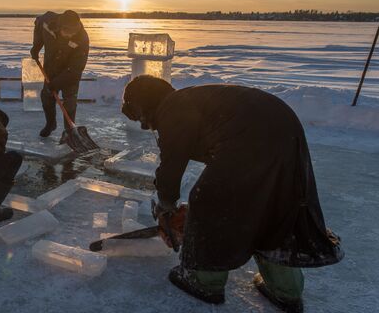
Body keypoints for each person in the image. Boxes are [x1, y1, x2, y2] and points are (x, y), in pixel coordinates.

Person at [121, 76, 343, 312]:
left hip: (253, 141)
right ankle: (286, 290)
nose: (147, 126)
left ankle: (205, 281)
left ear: (146, 105)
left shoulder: (172, 108)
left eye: (142, 118)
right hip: (287, 134)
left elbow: (171, 166)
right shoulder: (192, 99)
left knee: (208, 201)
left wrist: (166, 204)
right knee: (273, 209)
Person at [30, 10, 89, 138]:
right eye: (69, 33)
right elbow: (39, 26)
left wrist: (56, 84)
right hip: (51, 68)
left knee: (70, 101)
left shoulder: (82, 38)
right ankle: (51, 124)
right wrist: (36, 47)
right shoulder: (48, 22)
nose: (71, 35)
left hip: (70, 74)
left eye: (74, 32)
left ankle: (69, 131)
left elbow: (76, 68)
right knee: (46, 97)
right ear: (60, 27)